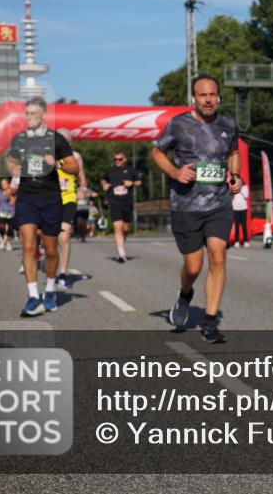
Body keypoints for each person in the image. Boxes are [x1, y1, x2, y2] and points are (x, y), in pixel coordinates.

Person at [152, 74, 241, 344]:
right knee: (193, 266)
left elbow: (234, 152)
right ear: (194, 98)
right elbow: (157, 152)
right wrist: (176, 172)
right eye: (203, 95)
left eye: (213, 94)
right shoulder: (178, 125)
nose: (209, 99)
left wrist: (234, 176)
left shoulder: (228, 124)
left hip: (219, 202)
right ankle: (185, 294)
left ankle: (210, 322)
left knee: (218, 254)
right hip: (186, 204)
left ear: (218, 96)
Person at [5, 97, 78, 316]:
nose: (29, 117)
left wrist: (57, 163)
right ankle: (33, 296)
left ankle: (49, 290)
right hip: (27, 196)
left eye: (33, 114)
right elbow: (10, 160)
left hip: (50, 197)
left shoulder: (56, 139)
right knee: (28, 245)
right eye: (26, 113)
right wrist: (14, 168)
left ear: (43, 115)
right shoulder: (19, 139)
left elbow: (73, 166)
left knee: (51, 248)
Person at [55, 128, 87, 288]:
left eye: (66, 142)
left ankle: (62, 274)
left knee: (64, 235)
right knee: (47, 238)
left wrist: (82, 190)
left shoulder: (75, 157)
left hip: (68, 198)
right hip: (50, 199)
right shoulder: (48, 156)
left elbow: (82, 179)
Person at [102, 151, 141, 263]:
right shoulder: (110, 171)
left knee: (125, 228)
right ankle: (121, 252)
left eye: (120, 159)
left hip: (127, 201)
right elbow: (103, 179)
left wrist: (132, 183)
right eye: (115, 160)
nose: (117, 161)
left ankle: (122, 246)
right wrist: (104, 184)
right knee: (117, 227)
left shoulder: (131, 170)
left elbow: (139, 182)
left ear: (125, 159)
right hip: (114, 200)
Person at [0, 177, 17, 251]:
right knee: (1, 227)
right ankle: (4, 239)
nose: (3, 185)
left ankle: (7, 243)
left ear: (8, 184)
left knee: (9, 228)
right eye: (2, 184)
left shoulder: (11, 191)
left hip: (10, 212)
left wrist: (9, 195)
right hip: (1, 211)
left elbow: (13, 202)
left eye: (5, 184)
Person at [232, 180, 250, 248]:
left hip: (243, 208)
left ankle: (246, 241)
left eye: (240, 182)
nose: (238, 183)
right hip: (235, 208)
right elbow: (232, 196)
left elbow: (246, 196)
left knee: (244, 225)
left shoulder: (245, 187)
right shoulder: (233, 187)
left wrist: (240, 189)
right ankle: (237, 241)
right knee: (236, 226)